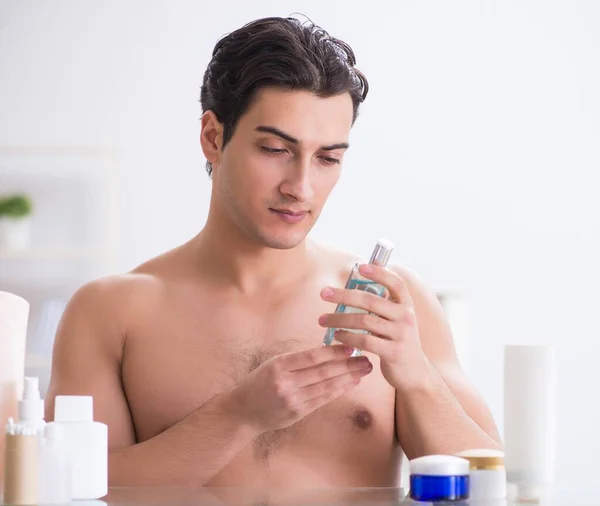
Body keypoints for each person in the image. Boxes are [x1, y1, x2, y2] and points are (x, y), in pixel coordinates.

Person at [45, 15, 502, 488]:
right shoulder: (112, 313)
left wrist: (416, 375)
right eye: (274, 149)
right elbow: (68, 486)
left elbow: (491, 484)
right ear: (213, 137)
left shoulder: (391, 305)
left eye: (328, 158)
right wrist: (238, 415)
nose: (301, 187)